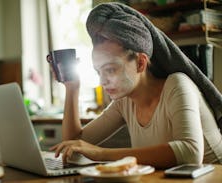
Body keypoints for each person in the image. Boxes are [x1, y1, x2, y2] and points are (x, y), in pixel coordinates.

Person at [48, 2, 222, 169]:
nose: (102, 81)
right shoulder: (124, 102)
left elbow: (190, 153)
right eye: (98, 71)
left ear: (140, 62)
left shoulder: (177, 86)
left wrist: (102, 153)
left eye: (110, 69)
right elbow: (73, 143)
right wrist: (72, 88)